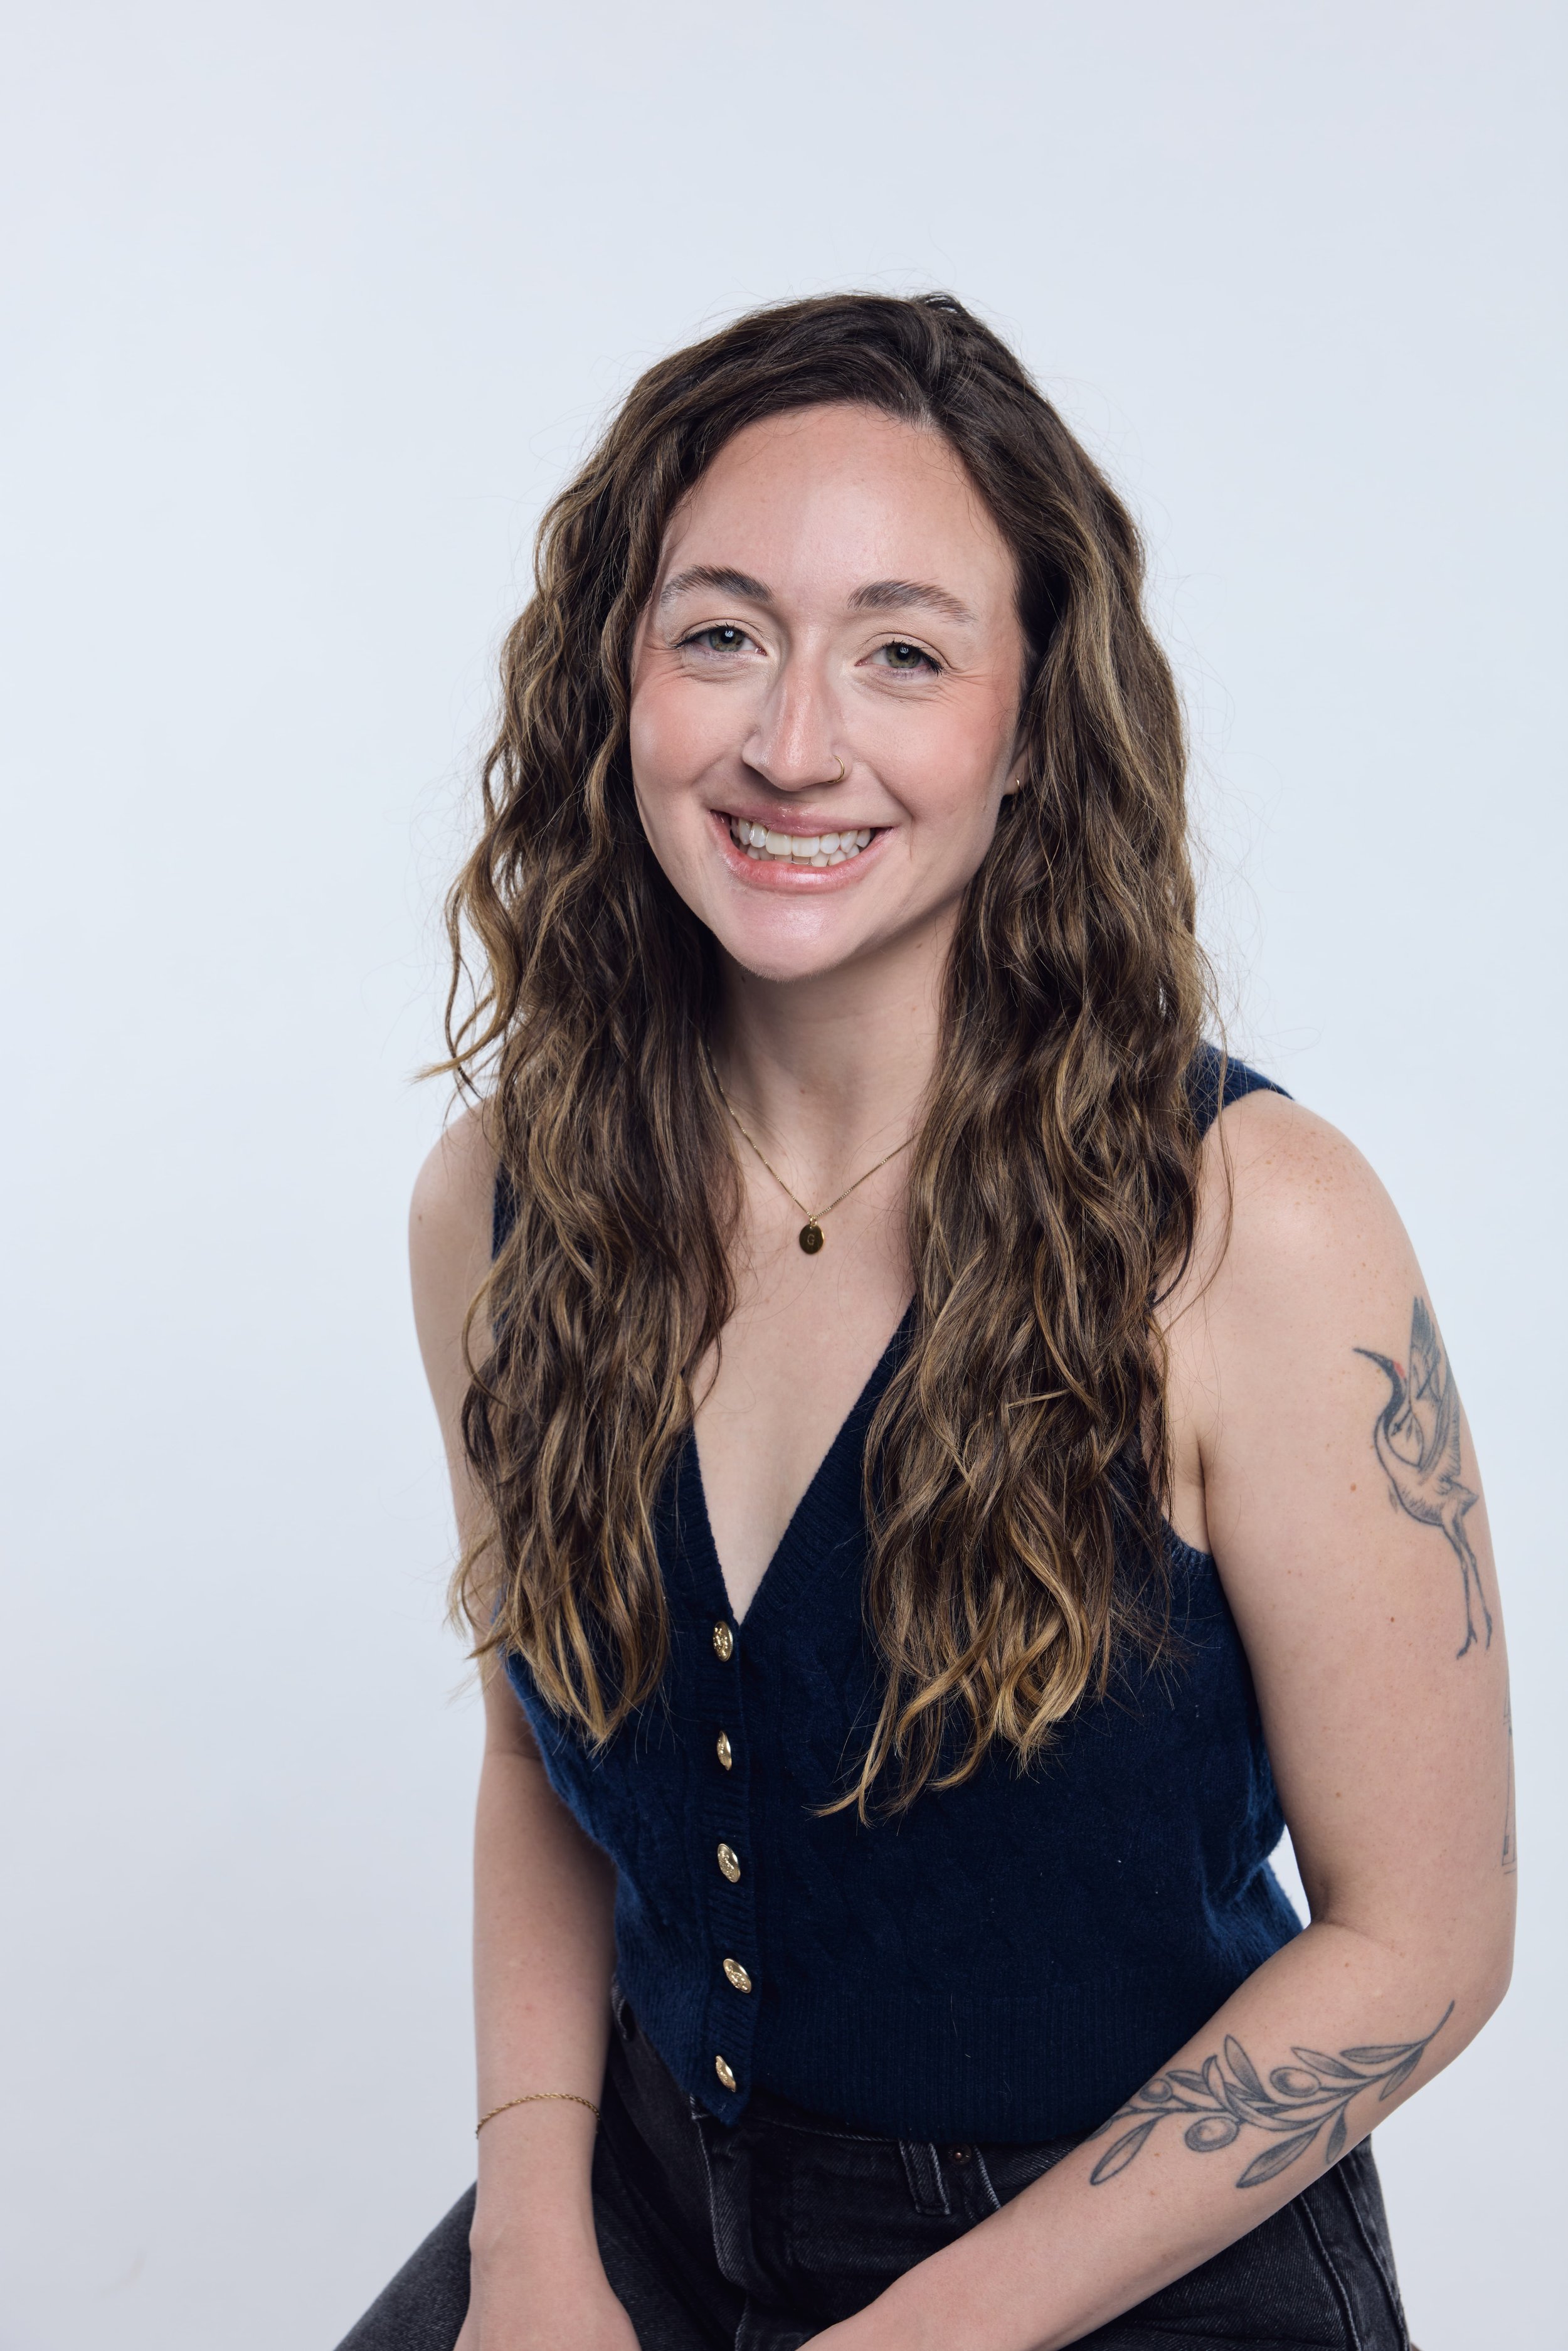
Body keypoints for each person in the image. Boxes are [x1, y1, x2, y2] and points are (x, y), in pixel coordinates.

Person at [337, 294, 1513, 2350]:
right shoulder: (497, 1206)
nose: (796, 742)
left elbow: (1426, 1937)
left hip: (1132, 2251)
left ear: (1032, 721)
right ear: (617, 676)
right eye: (719, 633)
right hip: (640, 2206)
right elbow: (548, 1748)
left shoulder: (1253, 1229)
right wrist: (532, 2239)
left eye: (902, 649)